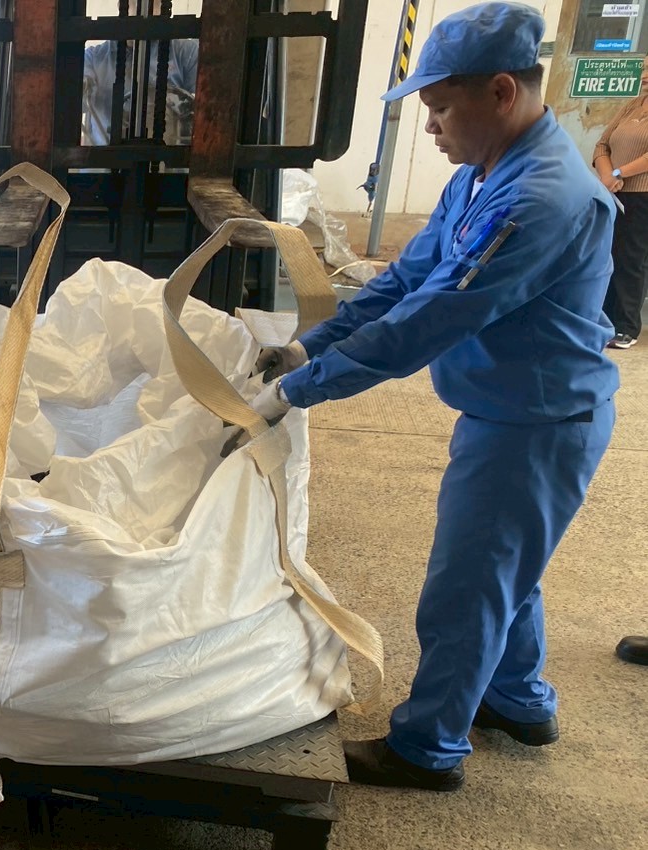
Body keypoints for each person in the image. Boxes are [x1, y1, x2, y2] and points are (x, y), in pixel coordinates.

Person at [250, 1, 619, 791]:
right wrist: (307, 346)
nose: (430, 128)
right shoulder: (483, 174)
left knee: (467, 586)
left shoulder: (538, 199)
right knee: (503, 569)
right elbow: (406, 282)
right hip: (509, 408)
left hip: (535, 424)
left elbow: (428, 321)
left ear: (500, 93)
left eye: (441, 109)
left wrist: (296, 391)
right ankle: (517, 700)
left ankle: (427, 750)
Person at [591, 88, 648, 348]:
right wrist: (607, 176)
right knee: (606, 254)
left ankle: (626, 326)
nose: (645, 75)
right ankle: (604, 321)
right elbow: (602, 144)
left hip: (641, 195)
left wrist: (618, 173)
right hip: (612, 191)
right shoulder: (632, 106)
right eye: (643, 69)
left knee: (631, 260)